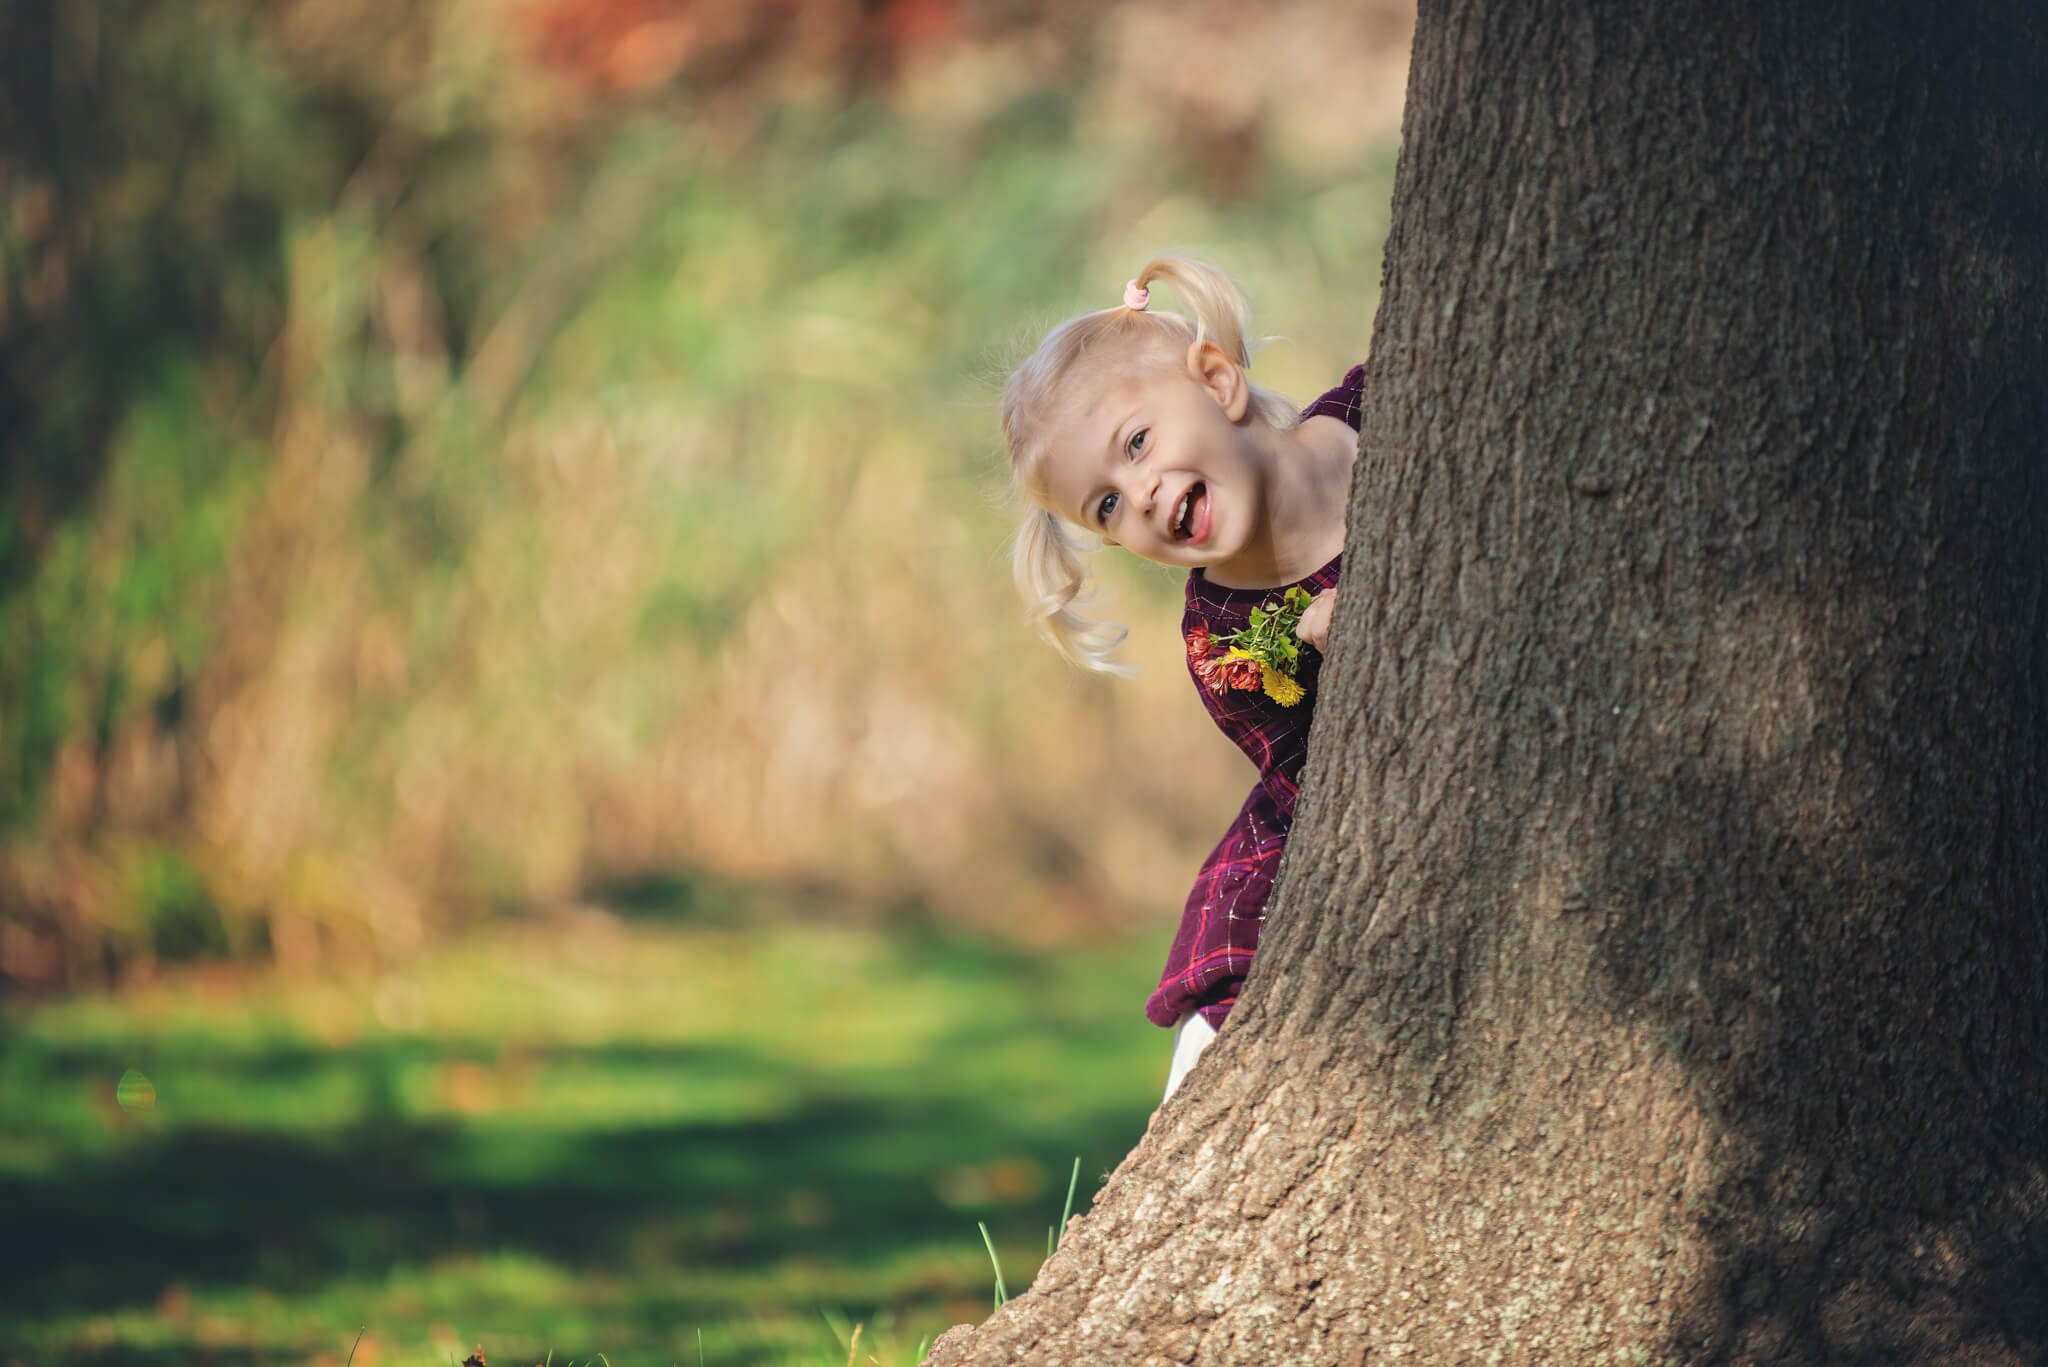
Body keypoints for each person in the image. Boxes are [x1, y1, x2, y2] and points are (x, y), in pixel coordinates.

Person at [1000, 256, 1363, 1101]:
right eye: (1106, 506)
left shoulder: (1380, 409)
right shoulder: (1226, 641)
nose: (1142, 493)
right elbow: (1335, 785)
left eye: (1137, 443)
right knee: (1211, 1050)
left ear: (1217, 378)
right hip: (1300, 860)